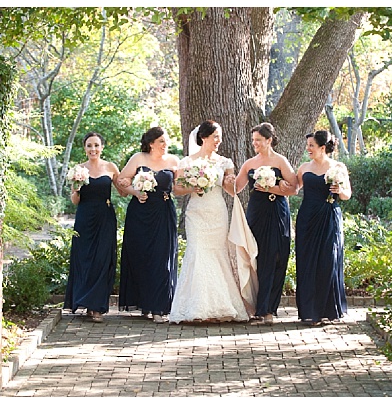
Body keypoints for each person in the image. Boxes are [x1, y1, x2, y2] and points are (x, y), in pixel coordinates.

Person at [167, 120, 249, 323]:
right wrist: (193, 187)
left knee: (217, 253)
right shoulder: (187, 162)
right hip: (196, 213)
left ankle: (221, 307)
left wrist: (230, 182)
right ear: (203, 138)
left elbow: (232, 191)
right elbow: (177, 189)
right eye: (215, 137)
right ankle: (196, 307)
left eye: (219, 137)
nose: (218, 141)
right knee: (197, 252)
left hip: (217, 212)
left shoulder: (225, 162)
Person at [116, 127, 180, 323]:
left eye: (166, 140)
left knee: (162, 258)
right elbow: (121, 181)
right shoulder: (138, 158)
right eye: (161, 141)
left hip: (163, 211)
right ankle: (145, 303)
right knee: (141, 256)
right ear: (151, 143)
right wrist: (136, 192)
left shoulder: (173, 161)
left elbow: (178, 187)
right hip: (141, 213)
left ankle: (160, 307)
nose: (165, 144)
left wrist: (199, 185)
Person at [234, 122, 295, 326]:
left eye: (258, 140)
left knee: (276, 257)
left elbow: (294, 188)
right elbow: (236, 187)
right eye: (253, 141)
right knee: (257, 257)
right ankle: (257, 307)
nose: (255, 144)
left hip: (277, 212)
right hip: (256, 213)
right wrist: (214, 177)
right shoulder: (249, 163)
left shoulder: (281, 161)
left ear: (269, 140)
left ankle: (268, 310)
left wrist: (275, 188)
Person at [292, 130, 351, 325]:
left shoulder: (337, 167)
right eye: (307, 145)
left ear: (322, 148)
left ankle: (327, 310)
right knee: (307, 262)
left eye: (311, 145)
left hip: (328, 218)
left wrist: (340, 190)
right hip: (307, 219)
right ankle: (309, 311)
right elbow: (293, 188)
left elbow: (347, 195)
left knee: (328, 260)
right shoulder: (303, 168)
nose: (308, 148)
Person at [64, 132, 121, 323]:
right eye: (89, 146)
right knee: (85, 258)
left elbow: (122, 190)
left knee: (103, 259)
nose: (93, 149)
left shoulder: (111, 167)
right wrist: (77, 189)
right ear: (85, 148)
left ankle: (97, 307)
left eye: (96, 145)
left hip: (105, 218)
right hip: (85, 218)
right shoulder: (78, 169)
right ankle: (87, 303)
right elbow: (74, 200)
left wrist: (141, 189)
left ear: (102, 147)